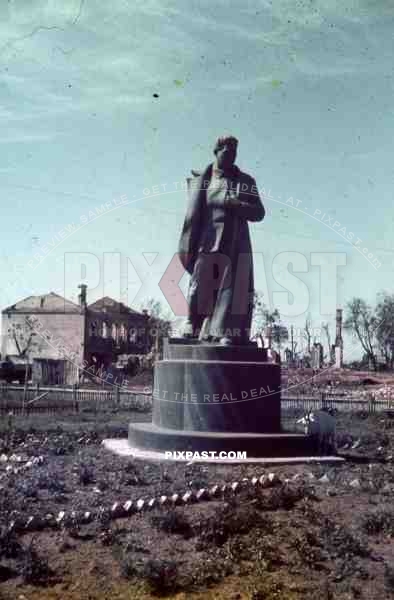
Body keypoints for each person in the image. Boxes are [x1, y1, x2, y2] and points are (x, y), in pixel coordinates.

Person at [178, 135, 265, 345]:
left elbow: (259, 213)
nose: (232, 156)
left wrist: (236, 204)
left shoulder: (246, 181)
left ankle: (227, 332)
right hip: (207, 241)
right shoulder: (205, 179)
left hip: (234, 242)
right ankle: (191, 322)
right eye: (227, 151)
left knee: (231, 289)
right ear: (216, 151)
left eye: (235, 152)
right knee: (199, 282)